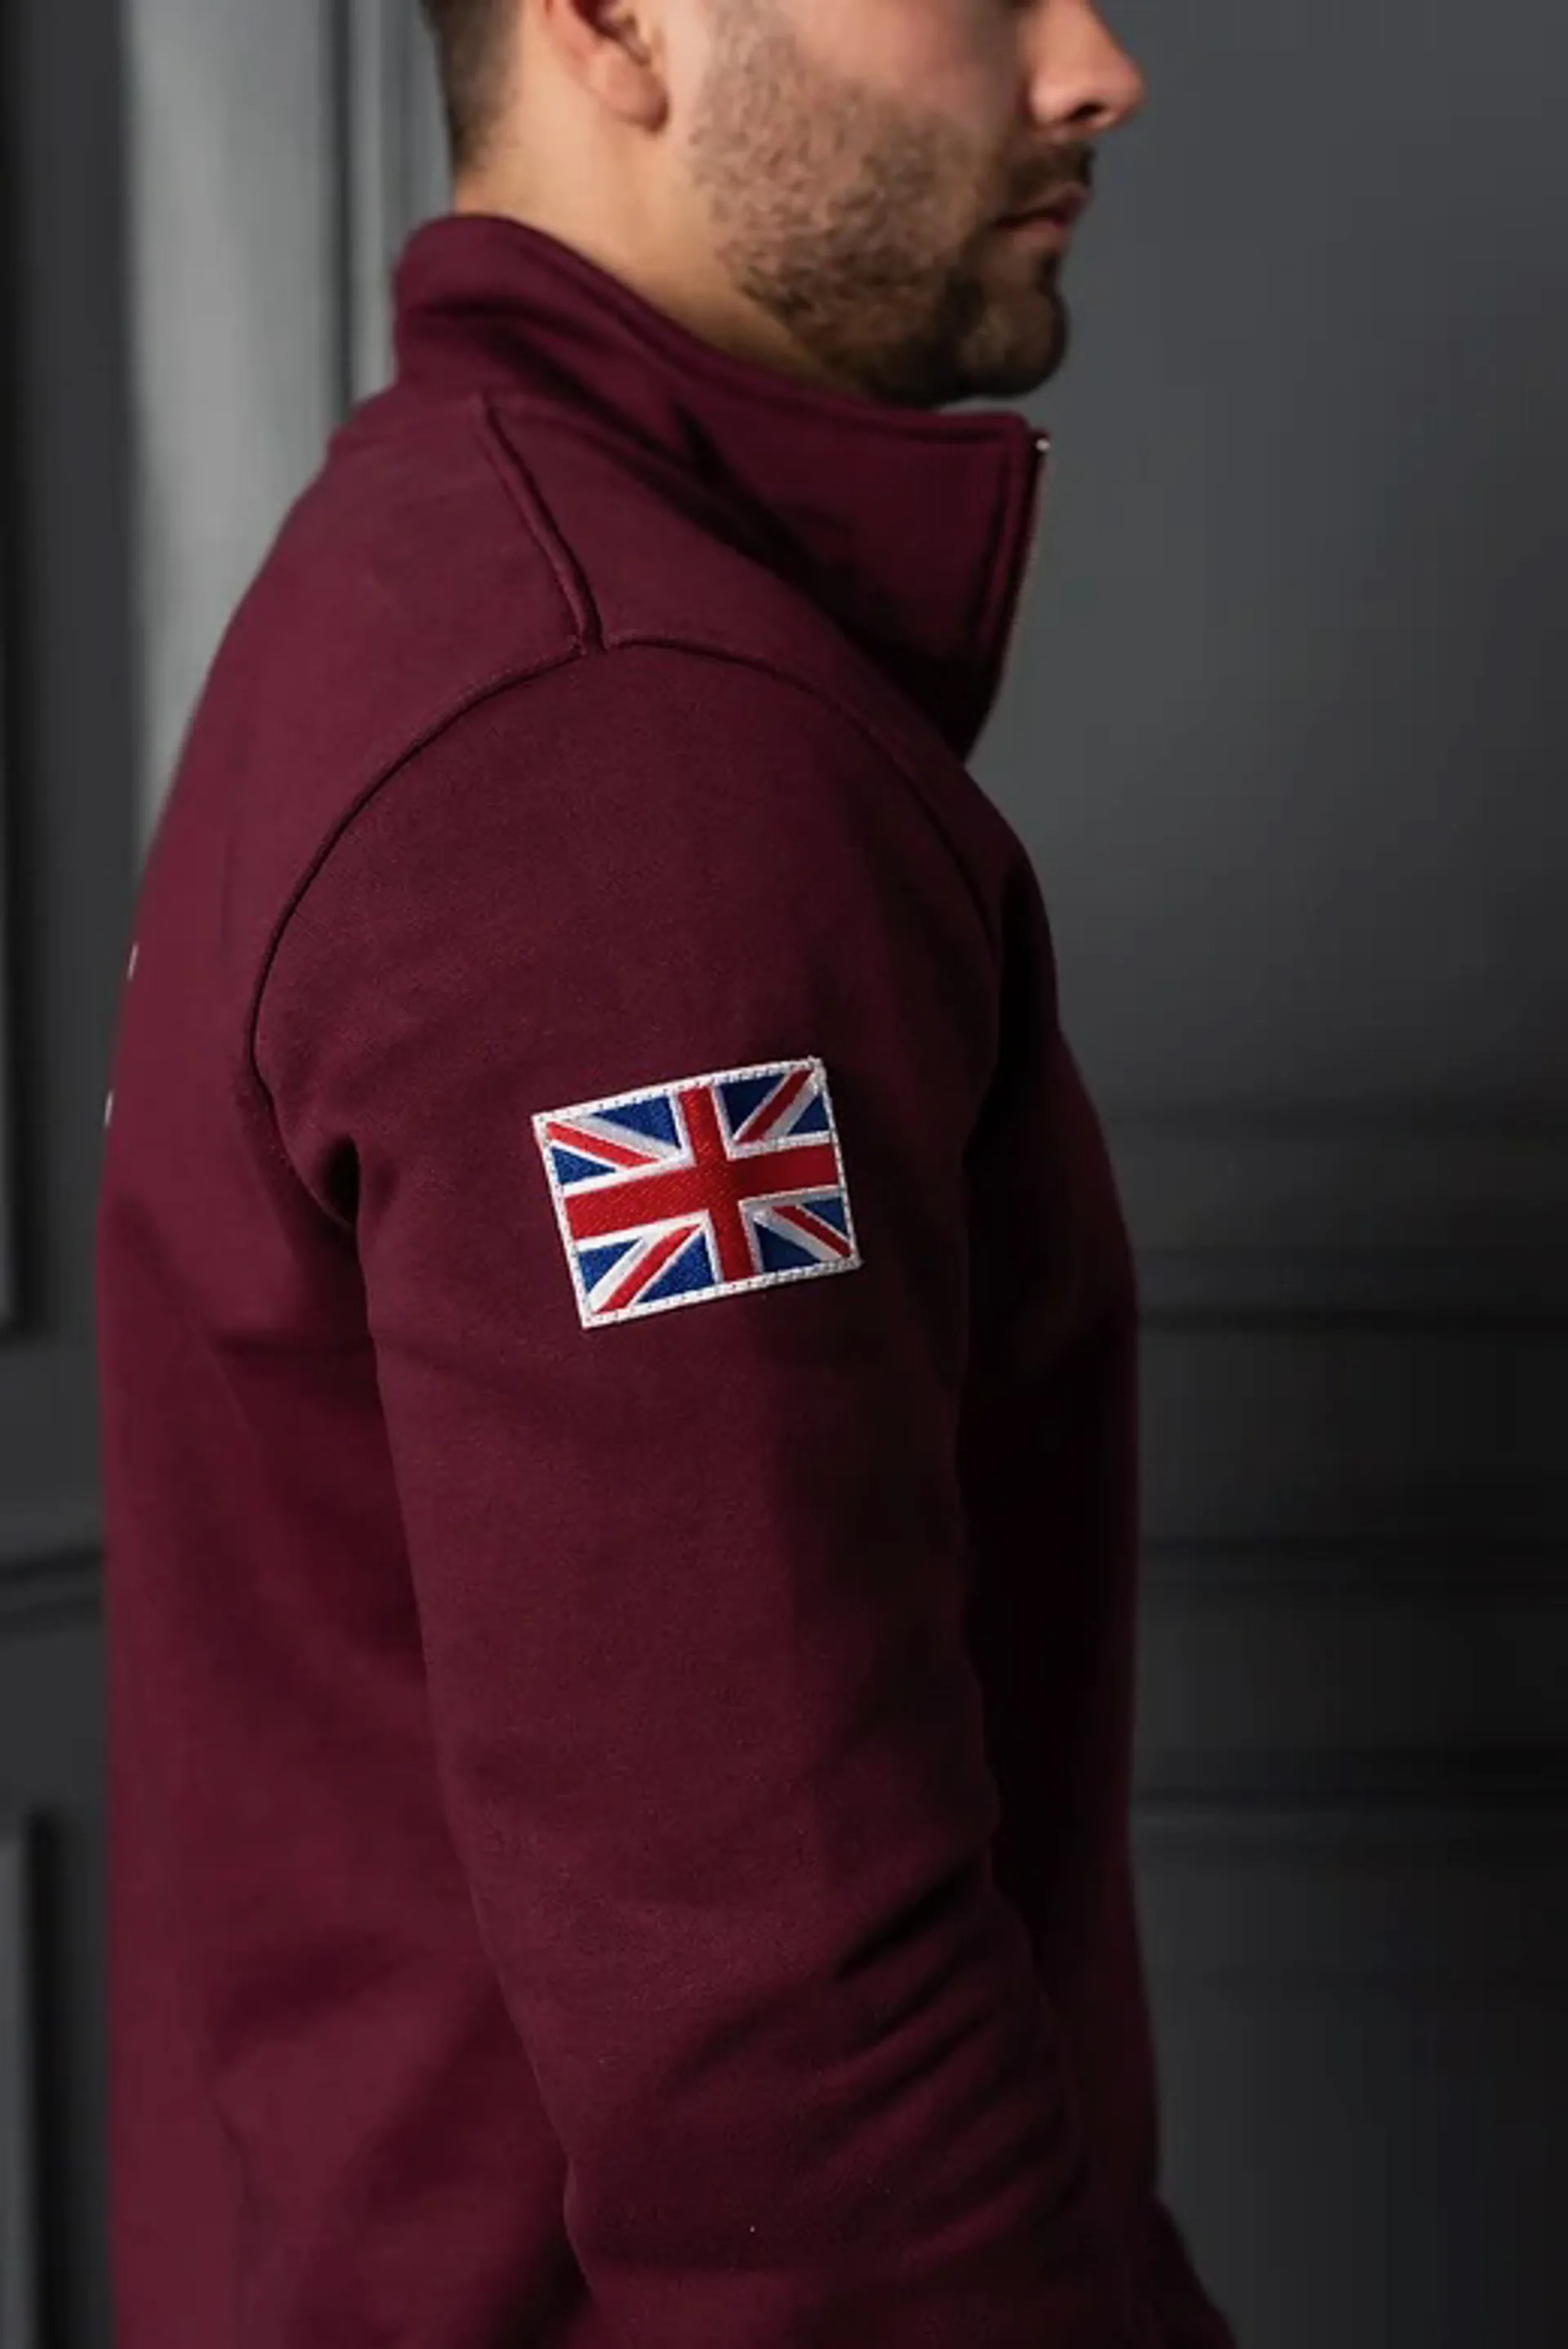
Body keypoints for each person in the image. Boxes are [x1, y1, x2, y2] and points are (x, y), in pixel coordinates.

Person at [95, 2, 1239, 2343]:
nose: (1098, 64)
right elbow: (802, 2080)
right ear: (613, 17)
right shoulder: (614, 762)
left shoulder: (435, 573)